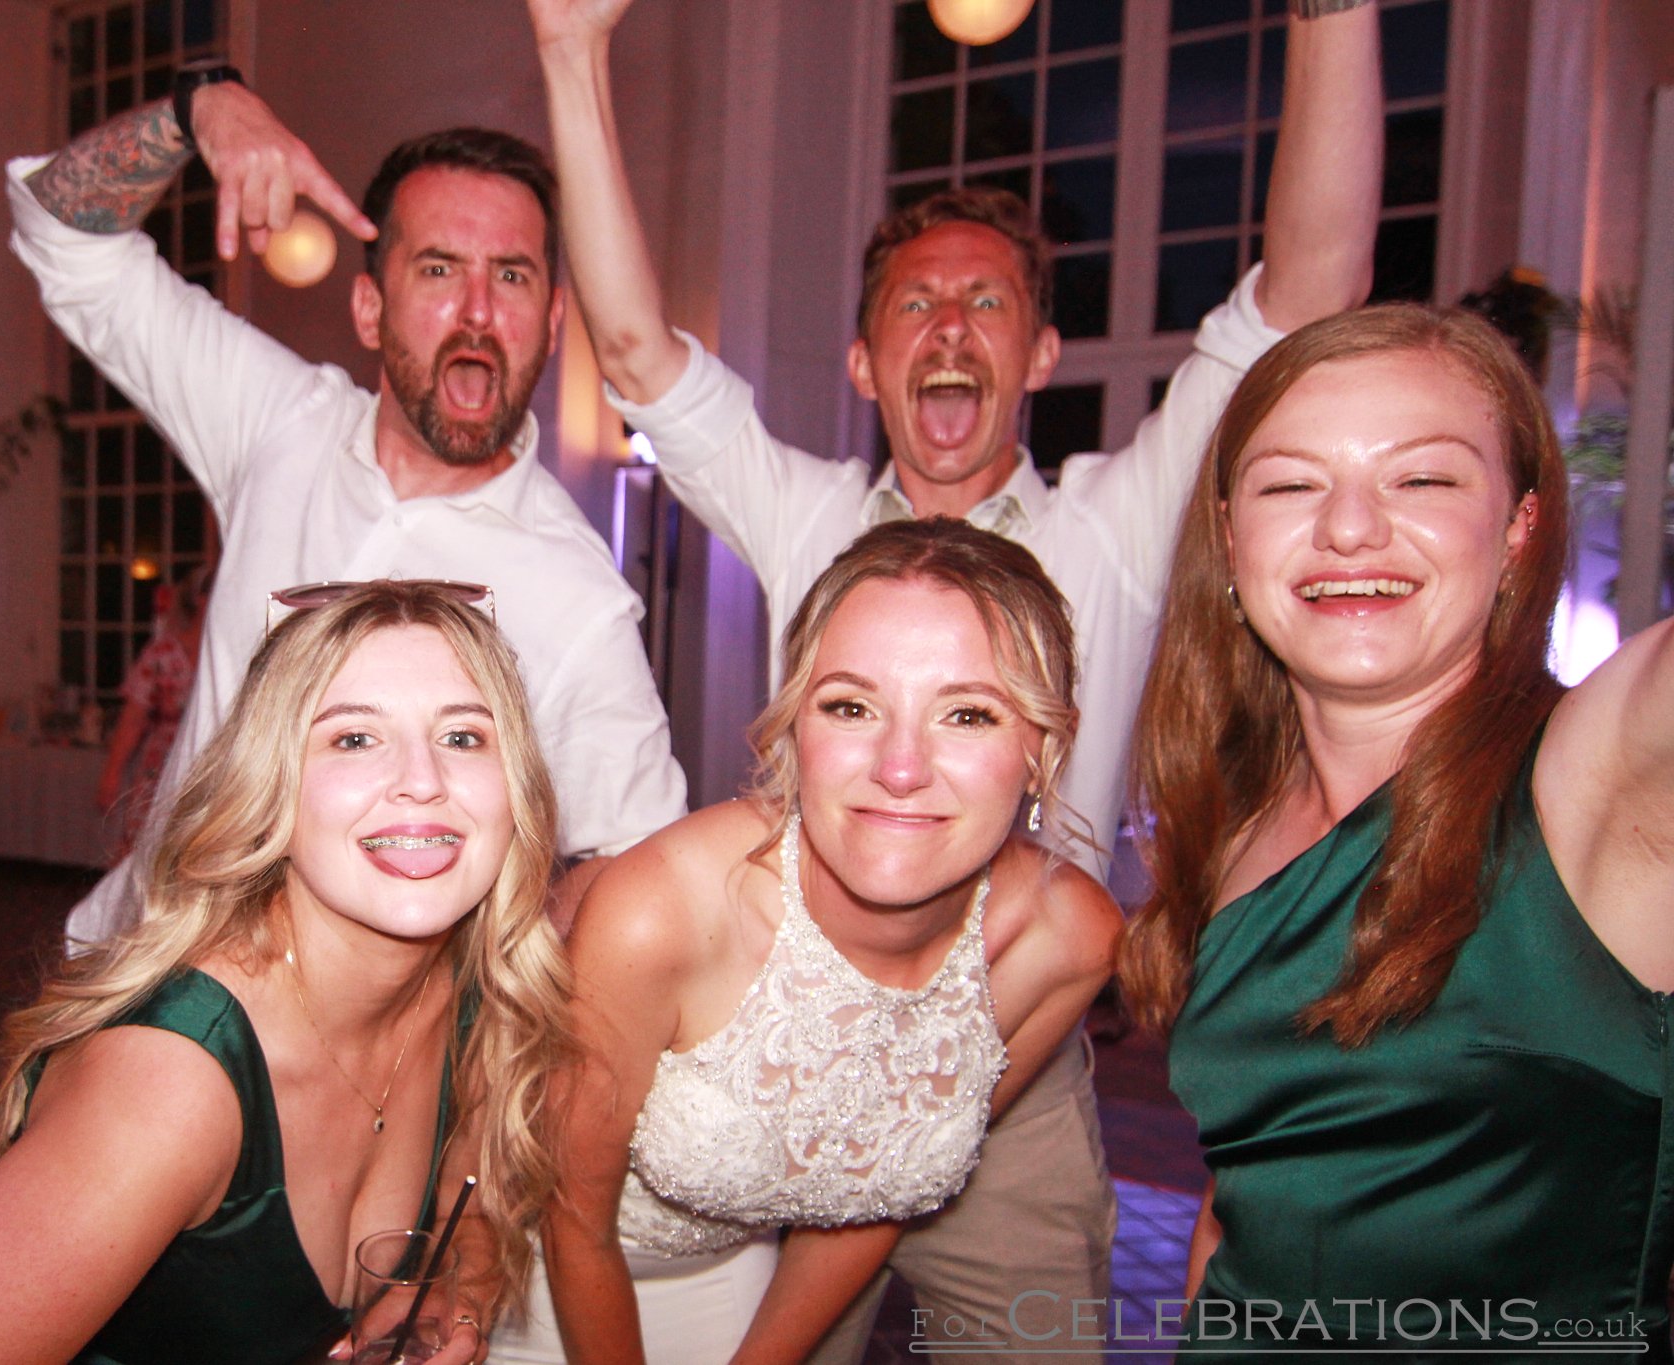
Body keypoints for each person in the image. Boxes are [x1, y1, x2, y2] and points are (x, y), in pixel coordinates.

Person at [528, 0, 1384, 1356]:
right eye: (914, 303)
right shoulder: (809, 518)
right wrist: (571, 52)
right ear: (866, 362)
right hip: (776, 1037)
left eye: (989, 301)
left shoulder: (1112, 526)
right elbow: (636, 355)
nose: (951, 324)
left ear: (1038, 355)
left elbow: (1309, 292)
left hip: (1016, 1044)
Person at [8, 65, 687, 949]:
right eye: (439, 268)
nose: (478, 311)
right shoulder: (279, 420)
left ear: (553, 322)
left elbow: (642, 874)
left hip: (347, 1070)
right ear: (370, 306)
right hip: (131, 973)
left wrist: (477, 991)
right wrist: (195, 107)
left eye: (512, 277)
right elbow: (61, 233)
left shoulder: (577, 596)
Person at [1118, 304, 1673, 1357]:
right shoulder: (1231, 822)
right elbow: (1246, 1197)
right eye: (1291, 484)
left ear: (1515, 527)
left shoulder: (1596, 779)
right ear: (1228, 538)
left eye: (1420, 479)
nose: (1348, 529)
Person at [0, 581, 573, 1364]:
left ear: (515, 786)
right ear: (270, 785)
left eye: (463, 737)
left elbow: (477, 1194)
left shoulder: (473, 989)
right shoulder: (169, 1084)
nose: (422, 779)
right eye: (354, 738)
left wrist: (452, 1287)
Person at [486, 519, 1121, 1365]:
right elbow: (573, 1214)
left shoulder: (1067, 941)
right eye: (851, 706)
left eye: (968, 714)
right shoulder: (661, 914)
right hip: (535, 1268)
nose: (900, 767)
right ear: (793, 730)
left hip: (726, 1277)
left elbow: (882, 1192)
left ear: (1043, 749)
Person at [97, 565, 213, 859]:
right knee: (147, 847)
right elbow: (133, 718)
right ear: (200, 599)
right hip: (162, 763)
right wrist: (112, 773)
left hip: (213, 760)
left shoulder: (232, 652)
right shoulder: (162, 652)